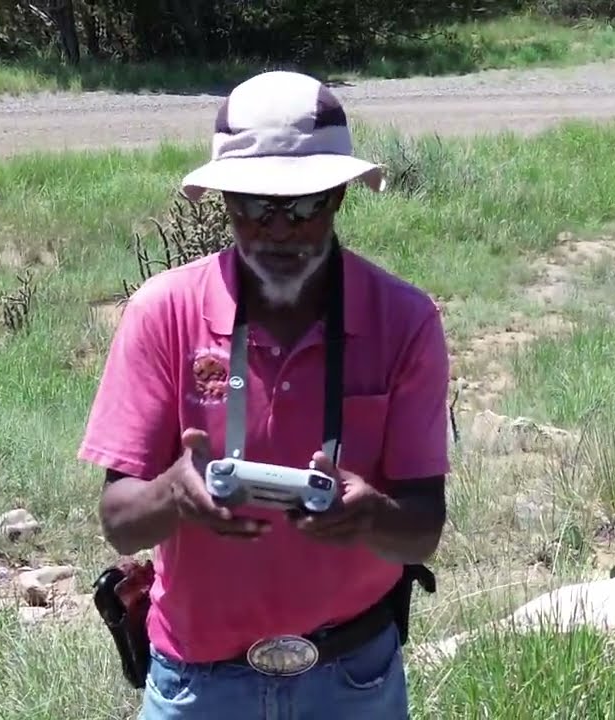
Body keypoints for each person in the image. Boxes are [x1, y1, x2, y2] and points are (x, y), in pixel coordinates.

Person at [77, 70, 451, 720]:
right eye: (252, 204)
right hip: (198, 681)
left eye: (302, 205)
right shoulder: (164, 313)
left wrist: (370, 515)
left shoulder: (403, 320)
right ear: (223, 203)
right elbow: (118, 521)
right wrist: (174, 494)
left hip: (352, 678)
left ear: (339, 197)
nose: (278, 230)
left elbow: (422, 531)